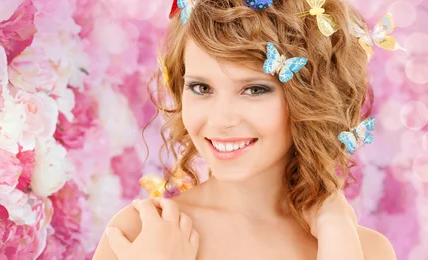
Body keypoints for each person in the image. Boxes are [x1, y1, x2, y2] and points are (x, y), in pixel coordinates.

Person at [93, 0, 398, 259]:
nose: (221, 119)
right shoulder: (142, 234)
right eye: (201, 87)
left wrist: (337, 238)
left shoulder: (364, 249)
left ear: (310, 98)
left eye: (254, 89)